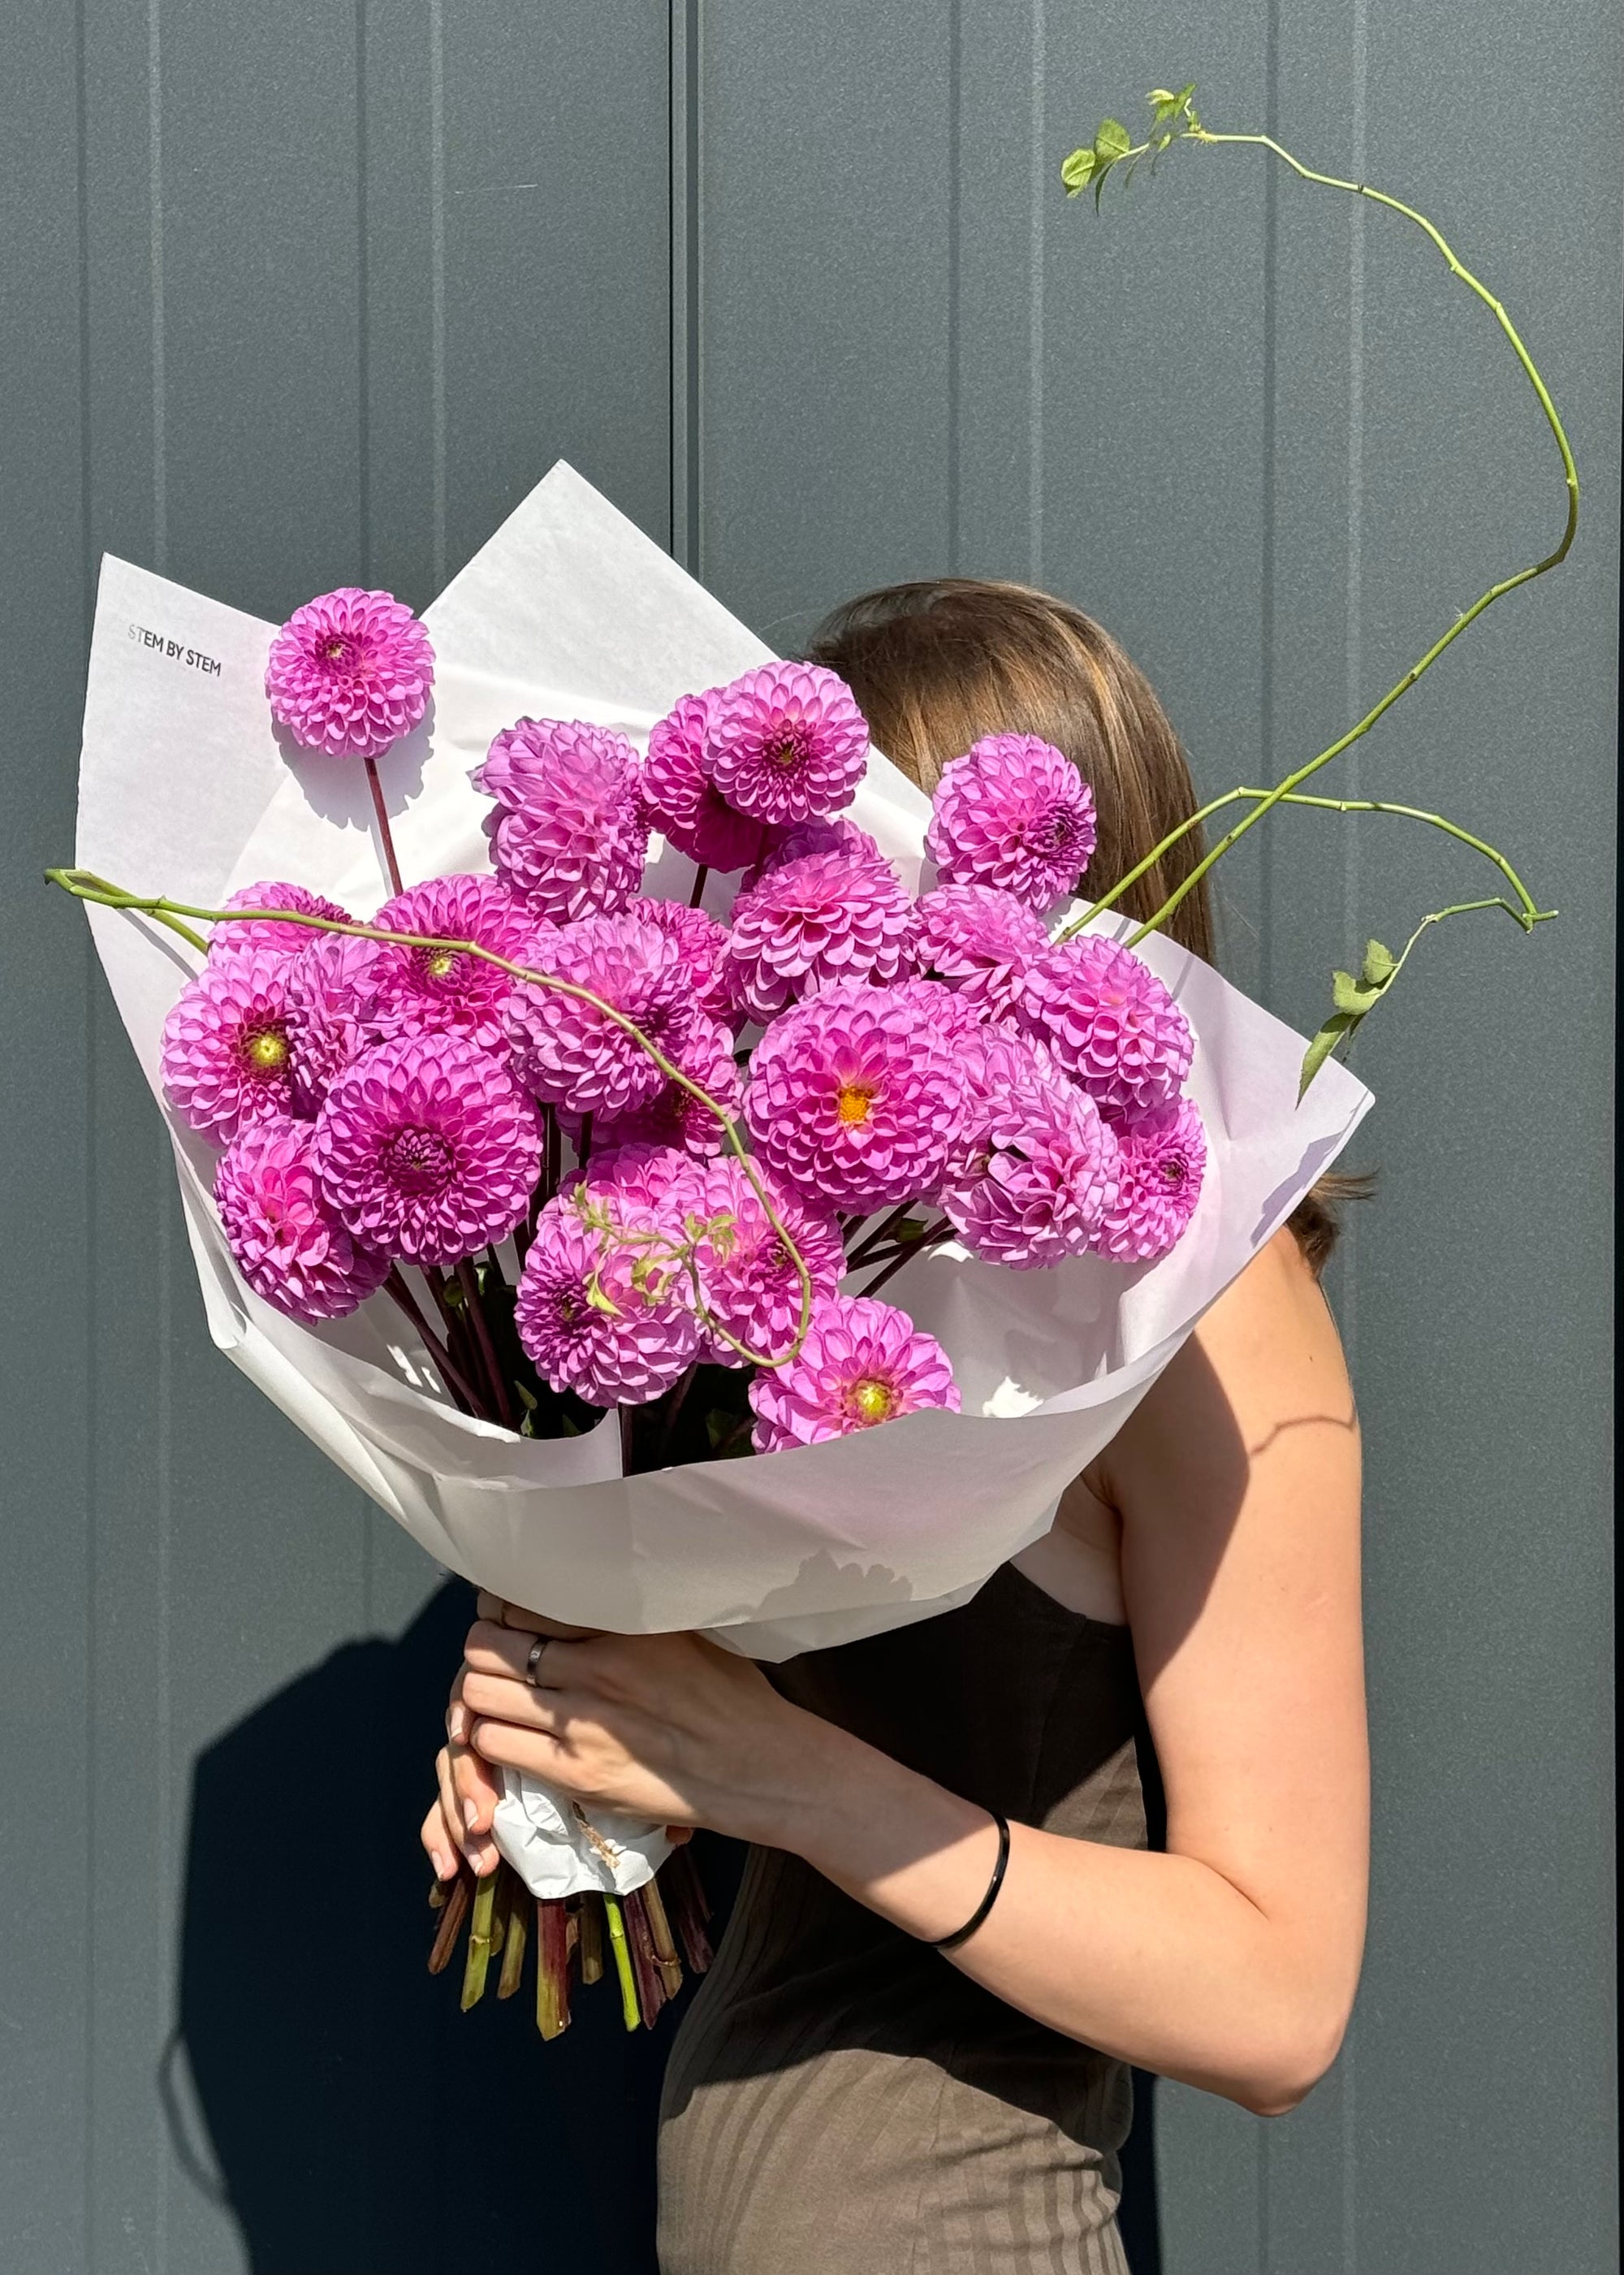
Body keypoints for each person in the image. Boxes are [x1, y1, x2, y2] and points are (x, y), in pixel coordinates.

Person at [421, 580, 1369, 2275]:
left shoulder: (1217, 1318)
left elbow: (1278, 1998)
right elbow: (742, 1757)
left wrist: (774, 1772)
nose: (841, 935)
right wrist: (575, 1751)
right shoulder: (811, 1259)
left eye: (888, 881)